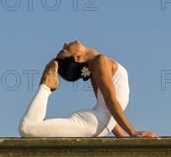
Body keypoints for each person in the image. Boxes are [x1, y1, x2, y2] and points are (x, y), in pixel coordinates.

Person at [18, 40, 159, 138]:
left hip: (96, 122)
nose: (65, 44)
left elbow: (108, 109)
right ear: (78, 58)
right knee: (27, 128)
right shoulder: (99, 61)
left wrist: (123, 137)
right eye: (65, 50)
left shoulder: (95, 67)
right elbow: (110, 101)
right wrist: (132, 133)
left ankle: (46, 86)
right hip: (92, 123)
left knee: (29, 128)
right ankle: (46, 85)